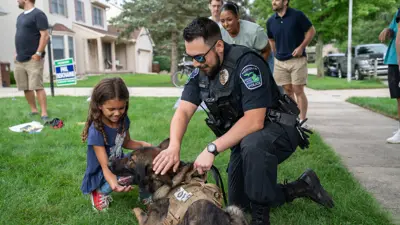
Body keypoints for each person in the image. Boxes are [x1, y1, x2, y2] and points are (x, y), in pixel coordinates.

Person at [152, 17, 333, 225]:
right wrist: (174, 145)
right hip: (246, 138)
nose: (195, 63)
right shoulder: (201, 71)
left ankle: (260, 219)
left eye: (200, 57)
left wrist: (212, 148)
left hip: (278, 130)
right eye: (191, 57)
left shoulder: (247, 64)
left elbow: (255, 121)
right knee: (240, 202)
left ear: (218, 46)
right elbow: (183, 110)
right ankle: (302, 186)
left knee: (253, 145)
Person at [80, 77, 152, 211]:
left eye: (121, 108)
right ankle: (99, 192)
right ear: (100, 106)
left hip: (117, 162)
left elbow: (126, 142)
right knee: (124, 177)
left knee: (146, 164)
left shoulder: (123, 120)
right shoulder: (96, 131)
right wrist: (114, 182)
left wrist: (144, 145)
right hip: (102, 170)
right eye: (111, 109)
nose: (117, 113)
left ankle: (145, 195)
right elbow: (105, 166)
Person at [267, 0, 316, 128]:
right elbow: (271, 39)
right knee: (288, 91)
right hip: (280, 62)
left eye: (276, 0)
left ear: (285, 2)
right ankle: (294, 118)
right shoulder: (270, 21)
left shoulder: (297, 15)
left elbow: (311, 31)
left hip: (297, 60)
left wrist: (301, 47)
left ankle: (303, 121)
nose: (273, 2)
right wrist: (275, 52)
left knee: (298, 90)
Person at [14, 0, 50, 121]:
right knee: (25, 86)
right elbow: (20, 35)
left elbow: (45, 35)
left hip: (33, 58)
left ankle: (44, 114)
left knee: (37, 86)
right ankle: (34, 110)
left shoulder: (38, 14)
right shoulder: (20, 17)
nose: (17, 1)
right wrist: (16, 52)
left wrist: (38, 53)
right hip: (20, 58)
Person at [379, 8, 400, 144]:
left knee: (399, 97)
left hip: (396, 60)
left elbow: (399, 39)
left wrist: (399, 60)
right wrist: (388, 30)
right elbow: (395, 32)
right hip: (394, 59)